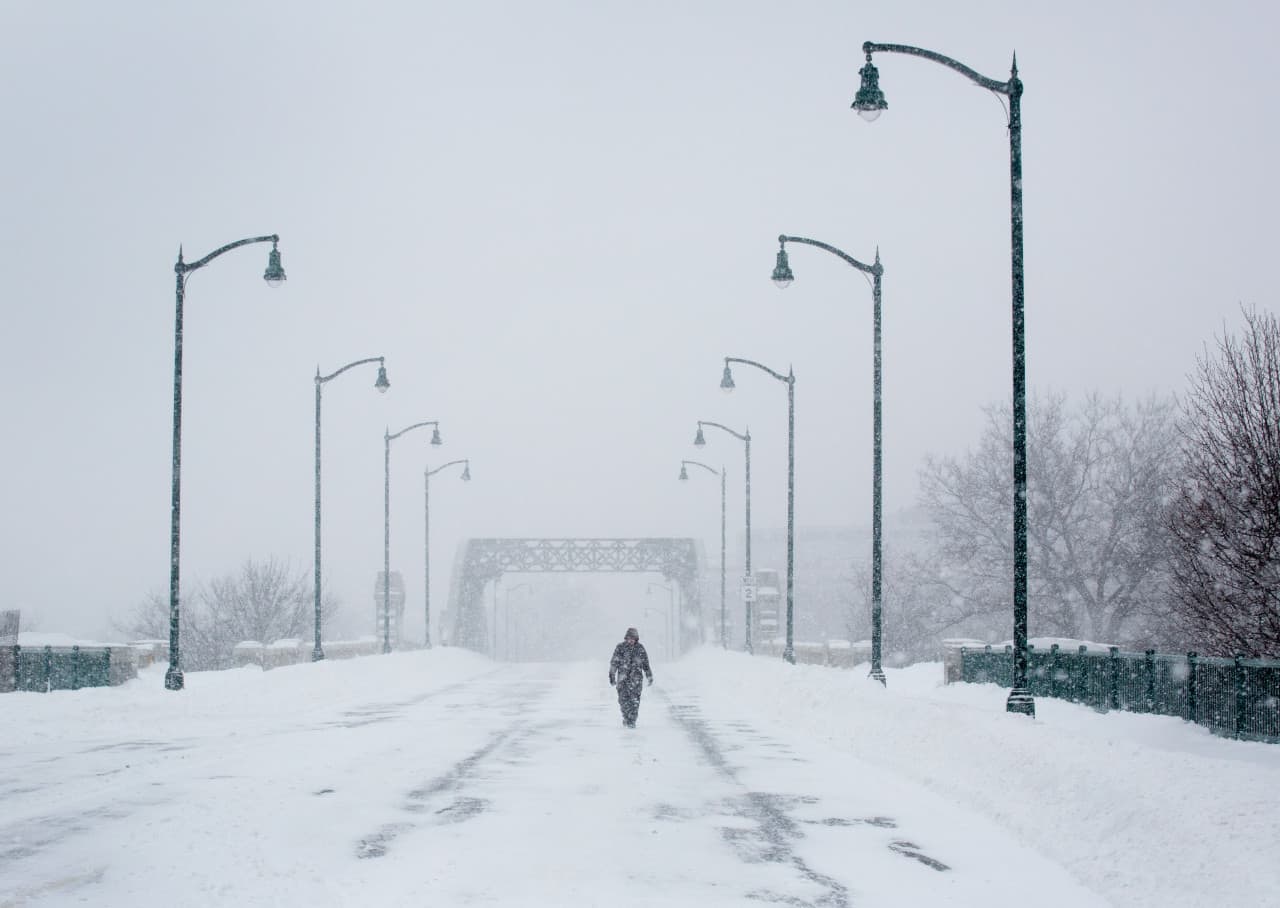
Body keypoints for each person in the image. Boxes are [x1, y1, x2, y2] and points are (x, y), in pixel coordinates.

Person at [608, 627, 653, 728]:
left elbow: (646, 663)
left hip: (636, 681)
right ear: (626, 638)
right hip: (622, 680)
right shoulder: (620, 648)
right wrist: (612, 675)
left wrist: (649, 675)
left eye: (633, 638)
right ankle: (626, 717)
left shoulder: (640, 649)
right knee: (623, 701)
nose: (631, 640)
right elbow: (614, 662)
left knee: (634, 702)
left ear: (636, 639)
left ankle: (632, 721)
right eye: (629, 638)